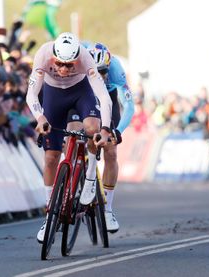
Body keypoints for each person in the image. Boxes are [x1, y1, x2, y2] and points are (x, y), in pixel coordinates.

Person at [26, 32, 113, 243]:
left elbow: (103, 96)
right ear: (53, 56)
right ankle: (49, 216)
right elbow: (31, 94)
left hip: (80, 91)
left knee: (92, 127)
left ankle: (91, 177)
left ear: (78, 59)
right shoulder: (43, 55)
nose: (64, 69)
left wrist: (106, 129)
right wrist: (40, 117)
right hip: (53, 94)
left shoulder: (85, 57)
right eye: (59, 64)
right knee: (50, 158)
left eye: (70, 65)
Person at [67, 42, 135, 232]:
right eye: (98, 72)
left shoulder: (116, 69)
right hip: (84, 93)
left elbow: (129, 106)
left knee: (111, 151)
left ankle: (107, 209)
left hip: (108, 97)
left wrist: (118, 131)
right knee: (72, 133)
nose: (101, 76)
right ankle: (69, 183)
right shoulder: (77, 60)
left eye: (104, 72)